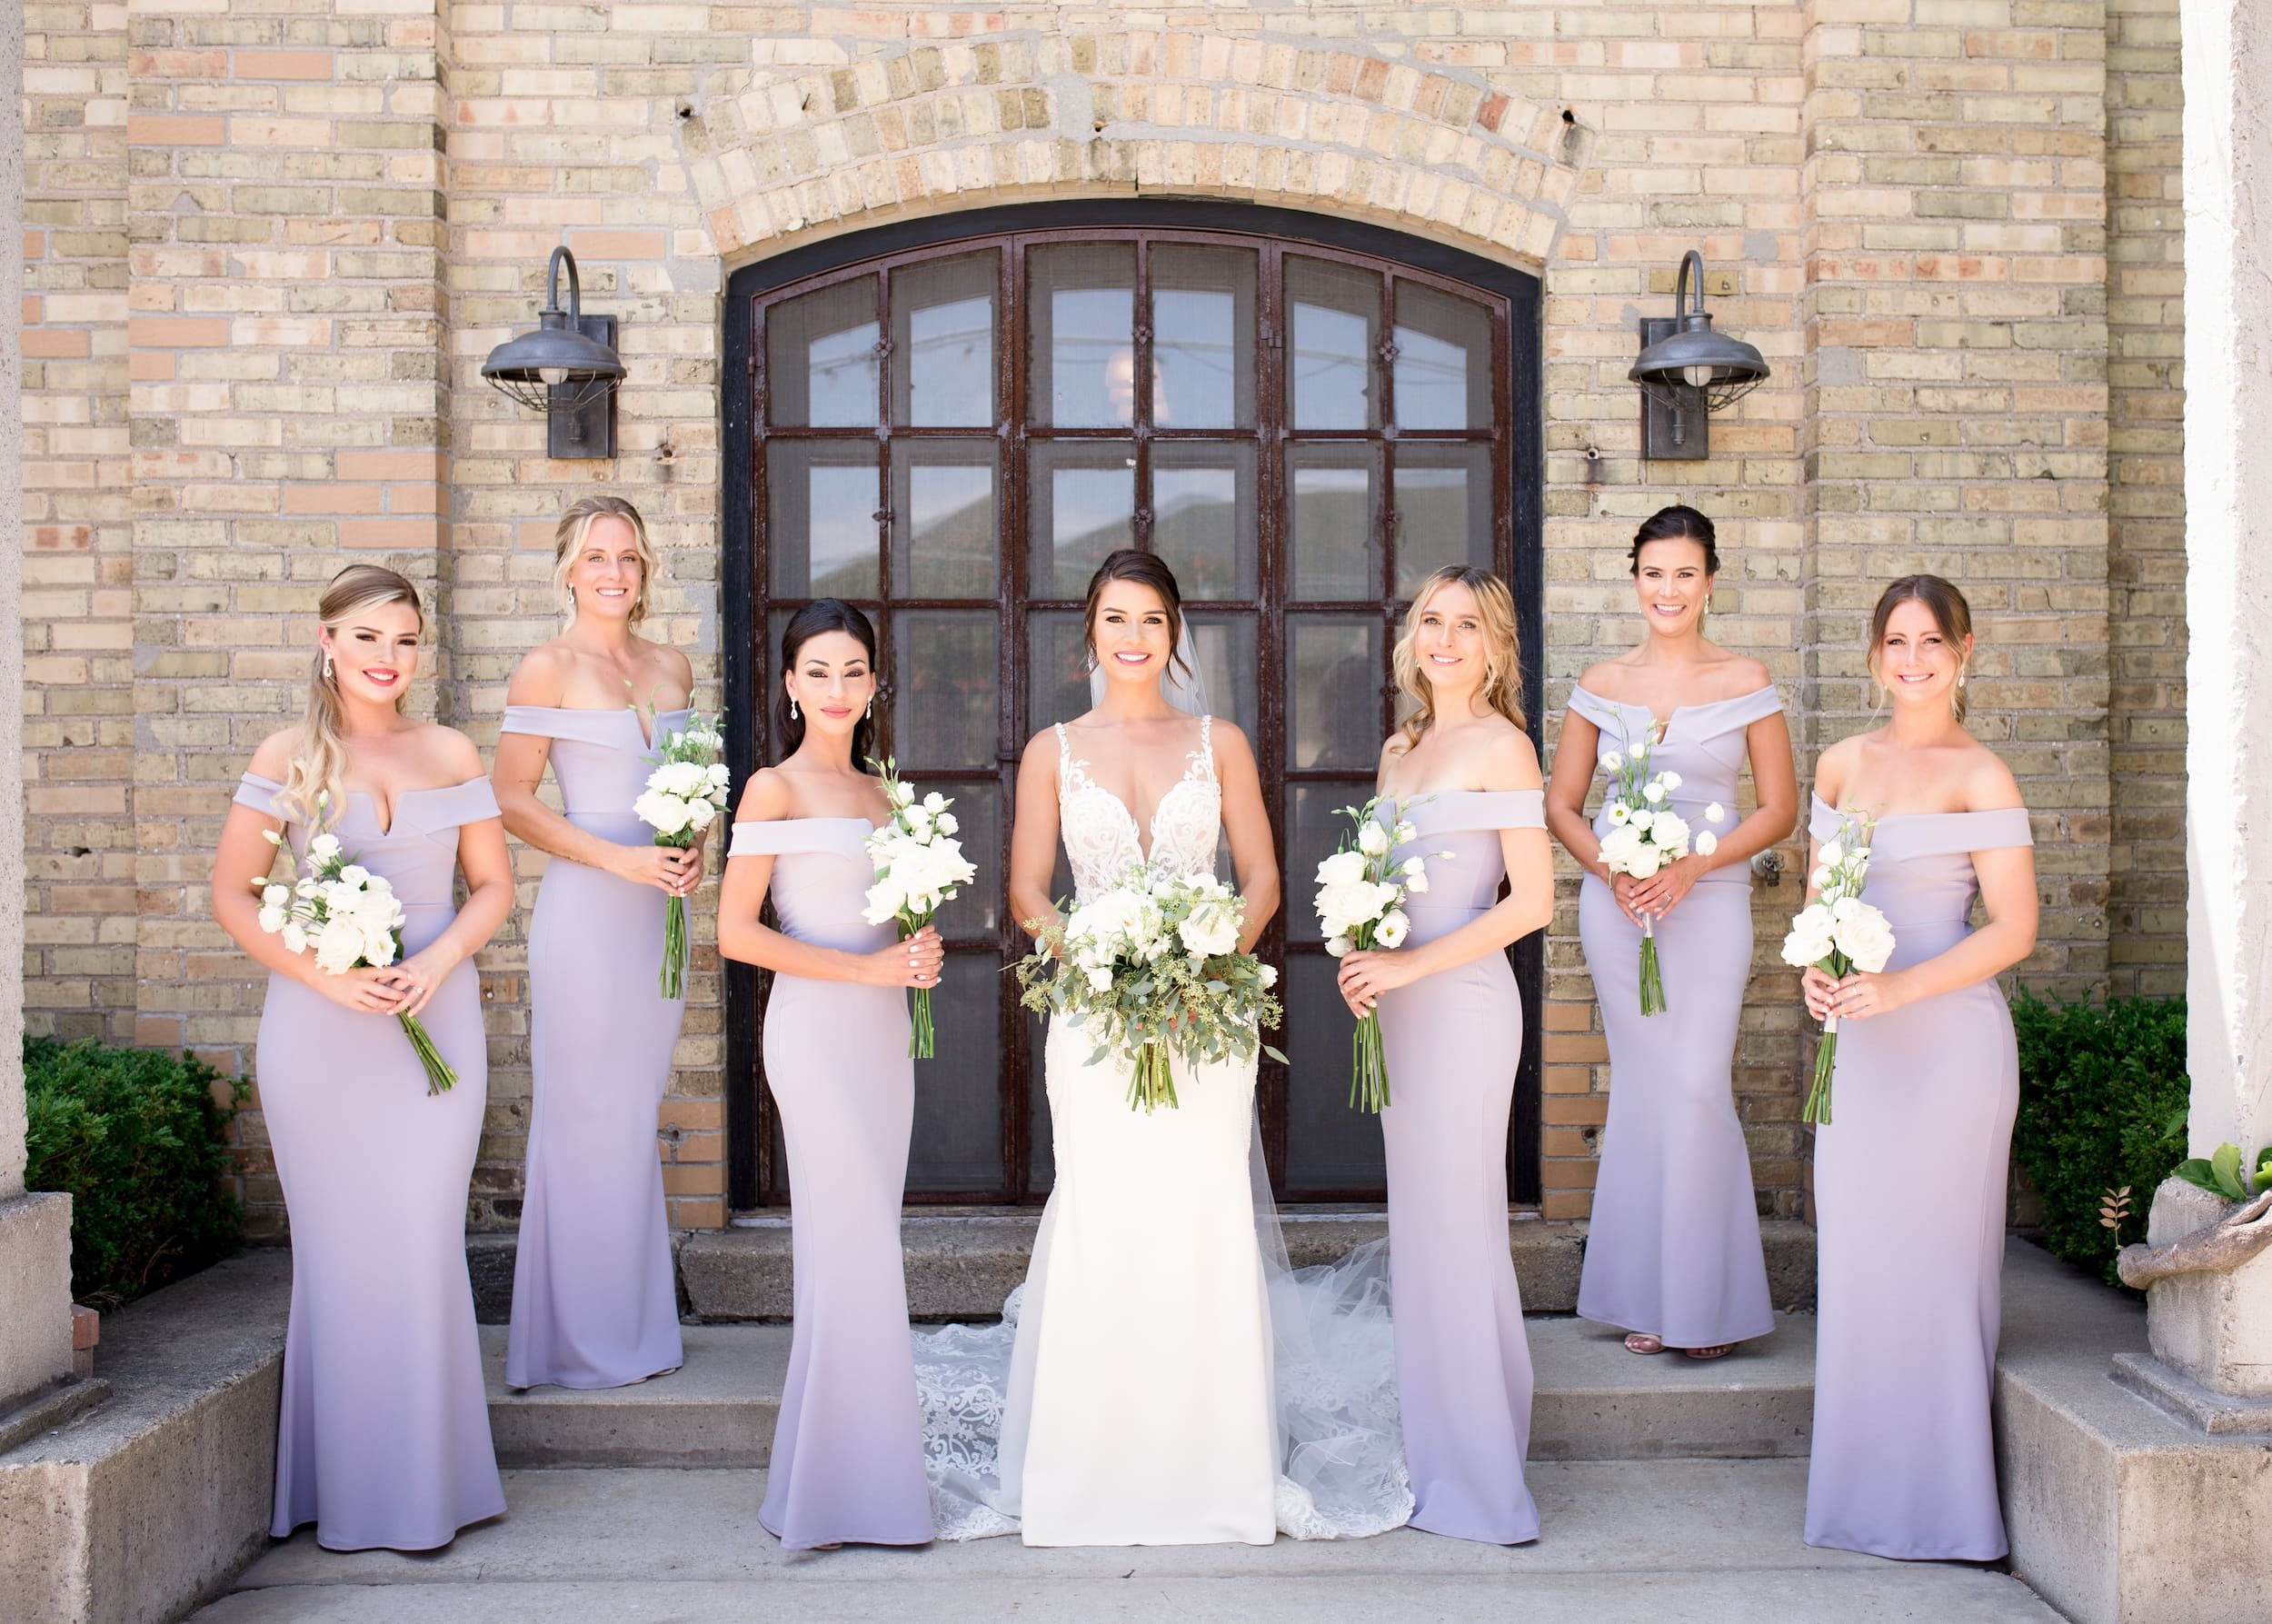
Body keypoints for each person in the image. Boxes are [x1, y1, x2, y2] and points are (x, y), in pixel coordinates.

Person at [913, 549, 1409, 1547]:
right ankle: (1092, 1468)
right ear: (1089, 631)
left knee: (1200, 1215)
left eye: (1151, 619)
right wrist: (1100, 958)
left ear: (1174, 631)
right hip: (1094, 1019)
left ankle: (1211, 1470)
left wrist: (1205, 957)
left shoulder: (1218, 742)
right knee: (1103, 1212)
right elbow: (1027, 891)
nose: (1133, 636)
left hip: (1204, 1020)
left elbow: (1262, 879)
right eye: (1115, 618)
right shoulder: (1052, 749)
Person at [209, 564, 511, 1550]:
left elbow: (493, 885)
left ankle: (427, 1489)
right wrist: (325, 978)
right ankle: (340, 1488)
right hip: (320, 1032)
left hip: (436, 1022)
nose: (389, 657)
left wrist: (436, 961)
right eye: (369, 637)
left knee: (422, 1242)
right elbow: (233, 895)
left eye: (406, 639)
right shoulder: (289, 755)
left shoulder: (451, 749)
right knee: (338, 1254)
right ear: (328, 641)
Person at [1800, 574, 2037, 1560]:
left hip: (1949, 1050)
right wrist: (1816, 970)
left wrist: (1900, 988)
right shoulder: (1840, 764)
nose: (1912, 659)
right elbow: (1818, 906)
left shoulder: (1982, 775)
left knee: (1938, 1270)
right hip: (1857, 1049)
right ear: (1874, 654)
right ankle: (1861, 1503)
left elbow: (2015, 929)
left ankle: (1944, 1513)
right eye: (1896, 641)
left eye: (1931, 641)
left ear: (1963, 652)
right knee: (1860, 1264)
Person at [1333, 564, 1554, 1544]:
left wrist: (1412, 962)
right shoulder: (1400, 748)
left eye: (1468, 624)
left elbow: (1531, 901)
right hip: (1401, 1014)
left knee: (1463, 1230)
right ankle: (1437, 1456)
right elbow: (1382, 887)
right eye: (1432, 620)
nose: (1447, 639)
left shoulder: (1505, 746)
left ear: (1497, 644)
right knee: (1422, 1234)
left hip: (1464, 1007)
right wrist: (1361, 956)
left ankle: (1484, 1475)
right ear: (1411, 635)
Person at [1546, 504, 1794, 1360]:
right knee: (1646, 1088)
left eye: (1685, 573)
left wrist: (1694, 865)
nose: (1669, 589)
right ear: (1635, 579)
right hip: (1619, 909)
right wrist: (1612, 871)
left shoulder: (1746, 677)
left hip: (1709, 900)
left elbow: (1780, 808)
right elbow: (1561, 806)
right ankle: (1647, 1297)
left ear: (1710, 582)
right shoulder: (1602, 682)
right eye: (1655, 573)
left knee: (1696, 1085)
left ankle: (1706, 1304)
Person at [718, 600, 939, 1550]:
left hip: (883, 1040)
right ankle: (838, 1494)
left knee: (861, 1244)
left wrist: (917, 951)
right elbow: (735, 933)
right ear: (790, 684)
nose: (837, 688)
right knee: (852, 1246)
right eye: (819, 670)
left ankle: (850, 1478)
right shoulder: (772, 788)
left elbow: (892, 920)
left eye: (854, 670)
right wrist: (864, 970)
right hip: (811, 1035)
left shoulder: (889, 796)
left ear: (875, 683)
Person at [498, 494, 699, 1391]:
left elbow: (690, 785)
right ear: (569, 570)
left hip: (661, 915)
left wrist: (694, 847)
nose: (613, 572)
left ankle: (634, 1328)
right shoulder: (546, 667)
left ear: (644, 567)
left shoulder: (672, 666)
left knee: (630, 1110)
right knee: (580, 1108)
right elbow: (512, 799)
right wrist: (619, 859)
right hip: (586, 909)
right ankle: (570, 1340)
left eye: (627, 556)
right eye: (595, 556)